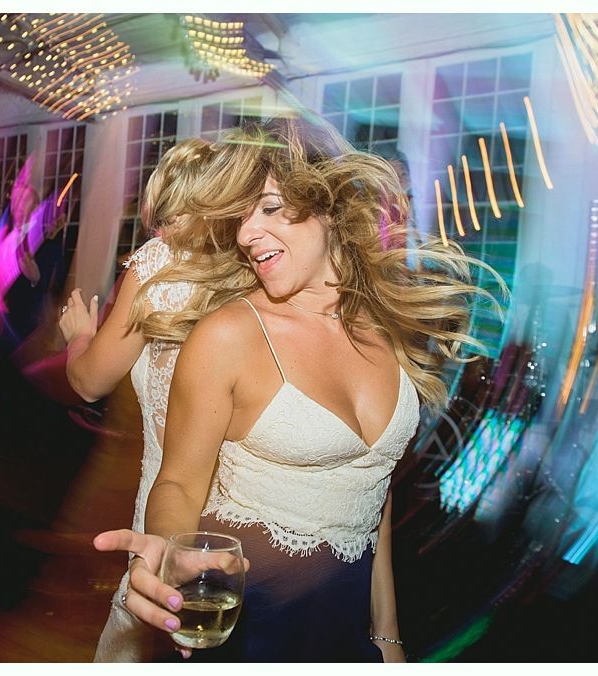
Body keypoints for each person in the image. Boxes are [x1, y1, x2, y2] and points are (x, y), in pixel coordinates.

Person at [93, 117, 503, 662]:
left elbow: (372, 495)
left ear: (329, 204)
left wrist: (387, 639)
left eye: (266, 207)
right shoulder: (229, 334)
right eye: (238, 217)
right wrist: (171, 555)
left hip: (341, 628)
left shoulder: (391, 325)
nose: (245, 234)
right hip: (246, 627)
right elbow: (178, 485)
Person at [56, 138, 218, 662]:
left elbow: (88, 381)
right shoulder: (249, 273)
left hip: (169, 495)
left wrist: (79, 334)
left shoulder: (158, 263)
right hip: (242, 508)